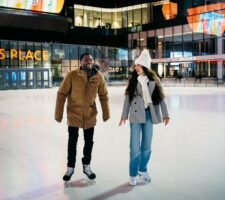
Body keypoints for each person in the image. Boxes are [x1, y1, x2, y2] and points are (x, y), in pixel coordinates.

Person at [55, 52, 110, 182]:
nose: (88, 62)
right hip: (74, 114)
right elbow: (61, 94)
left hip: (90, 114)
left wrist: (106, 113)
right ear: (81, 62)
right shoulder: (72, 75)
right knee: (72, 142)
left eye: (90, 60)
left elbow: (103, 96)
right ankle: (70, 168)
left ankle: (87, 166)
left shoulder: (98, 77)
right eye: (86, 60)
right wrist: (59, 114)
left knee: (89, 142)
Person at [119, 49, 170, 186]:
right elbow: (127, 99)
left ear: (145, 67)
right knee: (135, 147)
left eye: (139, 66)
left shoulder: (154, 80)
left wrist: (166, 114)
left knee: (146, 147)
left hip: (149, 115)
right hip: (135, 116)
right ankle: (133, 173)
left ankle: (142, 169)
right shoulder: (133, 80)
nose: (136, 68)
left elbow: (161, 99)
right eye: (135, 66)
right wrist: (124, 115)